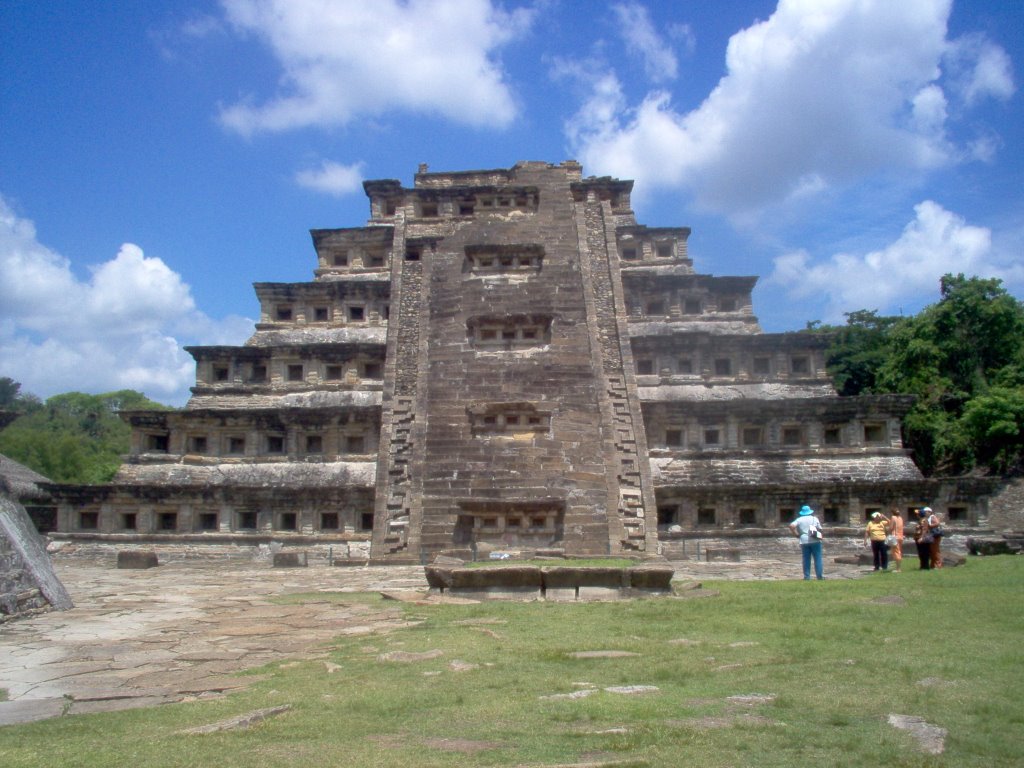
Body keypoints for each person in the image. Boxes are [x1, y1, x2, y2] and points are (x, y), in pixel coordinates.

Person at [788, 504, 824, 580]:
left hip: (804, 540)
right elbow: (820, 529)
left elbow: (791, 526)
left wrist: (796, 534)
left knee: (806, 559)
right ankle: (819, 576)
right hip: (815, 539)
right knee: (817, 558)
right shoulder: (815, 518)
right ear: (810, 512)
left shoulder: (799, 519)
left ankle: (807, 576)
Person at [889, 508, 904, 573]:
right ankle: (898, 567)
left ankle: (898, 569)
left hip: (895, 537)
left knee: (896, 552)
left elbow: (891, 528)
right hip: (900, 536)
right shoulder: (900, 518)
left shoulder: (893, 517)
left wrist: (887, 529)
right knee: (899, 551)